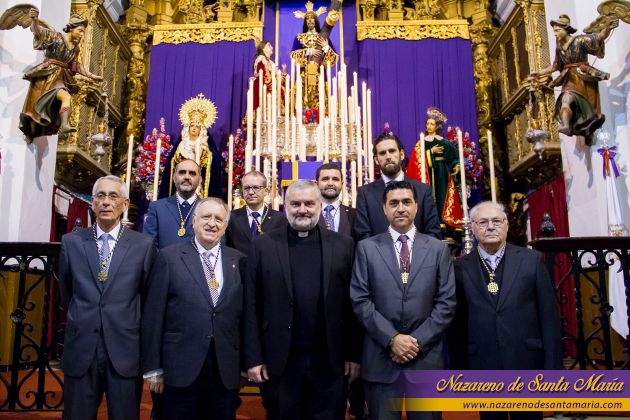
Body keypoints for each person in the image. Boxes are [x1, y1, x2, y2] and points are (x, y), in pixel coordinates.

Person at [244, 180, 361, 419]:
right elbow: (251, 305)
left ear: (319, 205)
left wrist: (353, 355)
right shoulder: (263, 245)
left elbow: (353, 306)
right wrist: (254, 358)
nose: (302, 209)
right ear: (284, 205)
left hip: (330, 360)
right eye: (295, 204)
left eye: (309, 203)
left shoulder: (344, 246)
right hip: (280, 361)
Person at [350, 181, 455, 420]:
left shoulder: (438, 249)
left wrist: (414, 342)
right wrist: (392, 339)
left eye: (407, 202)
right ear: (384, 209)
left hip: (426, 360)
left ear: (416, 207)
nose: (400, 208)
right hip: (381, 360)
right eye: (393, 203)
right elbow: (360, 299)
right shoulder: (366, 248)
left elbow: (446, 302)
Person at [449, 201, 562, 420]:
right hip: (483, 364)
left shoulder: (532, 260)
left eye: (496, 221)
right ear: (472, 228)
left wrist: (553, 369)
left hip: (526, 362)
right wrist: (459, 370)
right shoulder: (458, 267)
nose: (490, 227)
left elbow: (549, 318)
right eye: (483, 222)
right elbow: (456, 323)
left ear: (507, 226)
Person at [58, 175, 157, 420]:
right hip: (81, 348)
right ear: (92, 203)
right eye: (100, 196)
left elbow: (148, 297)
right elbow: (66, 292)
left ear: (124, 204)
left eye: (113, 196)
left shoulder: (143, 245)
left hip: (124, 350)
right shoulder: (72, 242)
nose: (106, 202)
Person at [142, 197, 245, 420]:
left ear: (225, 225)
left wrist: (245, 364)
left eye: (219, 219)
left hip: (224, 368)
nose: (212, 223)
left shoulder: (238, 261)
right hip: (180, 367)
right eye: (206, 217)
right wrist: (153, 368)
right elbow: (153, 315)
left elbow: (244, 317)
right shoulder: (169, 257)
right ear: (194, 221)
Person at [0, 6, 103, 142]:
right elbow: (38, 32)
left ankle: (64, 124)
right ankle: (53, 125)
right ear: (71, 29)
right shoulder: (55, 36)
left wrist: (92, 76)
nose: (82, 34)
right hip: (48, 75)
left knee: (64, 97)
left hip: (61, 77)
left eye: (83, 32)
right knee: (36, 108)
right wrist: (35, 20)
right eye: (80, 31)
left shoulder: (75, 48)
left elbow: (75, 65)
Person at [529, 14, 617, 144]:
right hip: (568, 78)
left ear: (566, 29)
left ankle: (587, 125)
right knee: (565, 99)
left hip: (582, 77)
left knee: (587, 106)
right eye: (554, 31)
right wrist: (539, 73)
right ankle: (566, 125)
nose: (555, 34)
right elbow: (554, 66)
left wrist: (608, 28)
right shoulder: (559, 48)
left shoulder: (580, 41)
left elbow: (598, 38)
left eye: (558, 30)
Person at [354, 132, 440, 241]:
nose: (388, 156)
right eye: (382, 153)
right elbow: (363, 237)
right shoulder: (365, 193)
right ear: (376, 160)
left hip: (418, 256)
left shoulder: (423, 191)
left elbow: (433, 233)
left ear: (402, 154)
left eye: (392, 151)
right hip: (378, 257)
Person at [406, 107, 463, 236]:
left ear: (437, 126)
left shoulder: (445, 142)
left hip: (442, 173)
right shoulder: (422, 142)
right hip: (426, 175)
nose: (429, 126)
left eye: (432, 124)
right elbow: (416, 158)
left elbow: (454, 157)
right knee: (429, 197)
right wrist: (430, 152)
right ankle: (431, 223)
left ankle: (444, 224)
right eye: (428, 124)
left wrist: (457, 165)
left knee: (442, 197)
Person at [290, 1, 339, 109]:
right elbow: (293, 55)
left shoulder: (323, 38)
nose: (310, 20)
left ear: (316, 20)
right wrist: (309, 51)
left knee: (320, 104)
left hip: (320, 76)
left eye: (312, 18)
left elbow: (334, 58)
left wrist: (326, 47)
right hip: (303, 77)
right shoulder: (299, 37)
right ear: (305, 21)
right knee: (303, 104)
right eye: (307, 18)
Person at [144, 159, 201, 249]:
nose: (187, 177)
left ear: (200, 180)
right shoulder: (157, 208)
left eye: (192, 173)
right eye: (182, 172)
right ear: (174, 178)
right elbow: (149, 246)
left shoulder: (209, 210)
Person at [225, 170, 287, 254]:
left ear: (265, 191)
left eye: (256, 187)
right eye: (246, 188)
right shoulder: (231, 217)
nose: (250, 192)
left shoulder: (279, 219)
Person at [316, 163, 355, 237]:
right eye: (325, 179)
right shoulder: (309, 213)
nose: (330, 183)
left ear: (342, 184)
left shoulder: (354, 215)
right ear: (316, 183)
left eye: (335, 179)